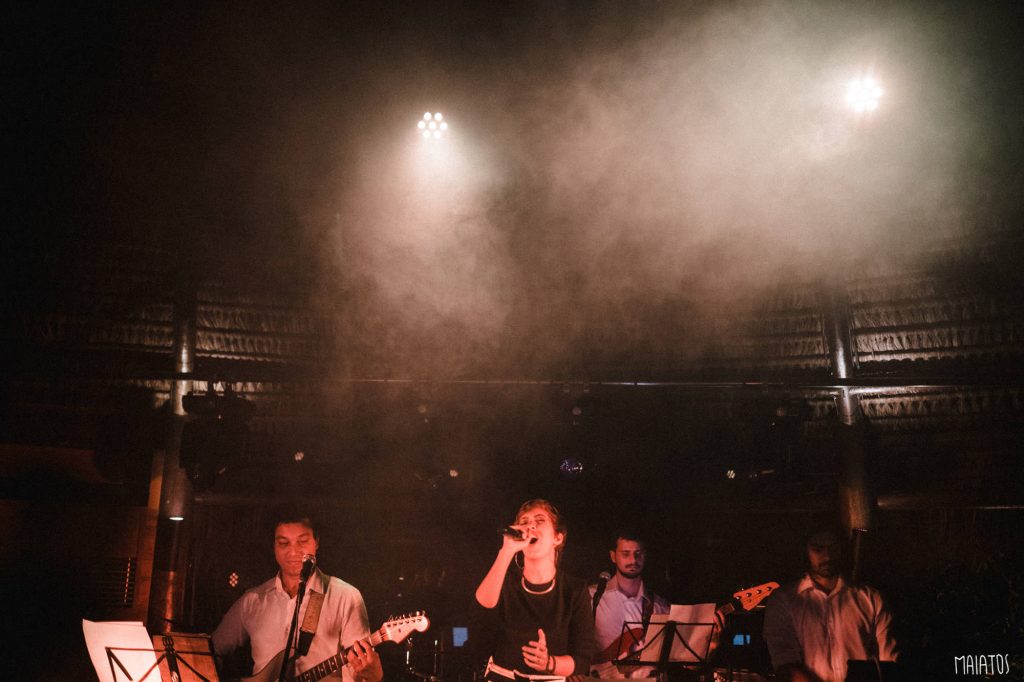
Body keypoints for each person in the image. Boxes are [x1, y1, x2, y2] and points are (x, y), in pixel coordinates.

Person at [212, 509, 383, 682]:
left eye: (302, 541)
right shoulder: (252, 600)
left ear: (316, 542)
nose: (293, 552)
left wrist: (370, 675)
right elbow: (210, 649)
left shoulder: (346, 597)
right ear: (273, 546)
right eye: (284, 543)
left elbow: (360, 672)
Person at [475, 499, 596, 681]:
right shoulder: (504, 581)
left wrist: (548, 663)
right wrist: (507, 550)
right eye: (524, 522)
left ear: (558, 537)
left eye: (539, 521)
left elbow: (583, 659)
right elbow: (482, 608)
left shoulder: (574, 590)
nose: (530, 526)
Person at [762, 526, 898, 682]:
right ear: (806, 551)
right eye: (817, 549)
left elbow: (889, 660)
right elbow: (785, 663)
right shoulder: (784, 600)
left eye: (833, 548)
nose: (827, 556)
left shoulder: (871, 598)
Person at [589, 531, 670, 678]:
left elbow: (683, 660)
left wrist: (711, 646)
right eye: (625, 553)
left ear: (645, 556)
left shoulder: (661, 607)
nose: (633, 560)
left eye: (638, 553)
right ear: (613, 556)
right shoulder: (592, 597)